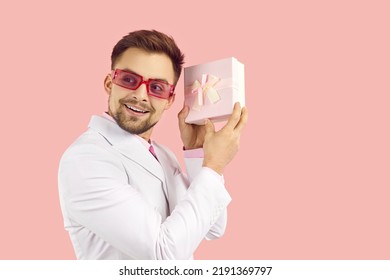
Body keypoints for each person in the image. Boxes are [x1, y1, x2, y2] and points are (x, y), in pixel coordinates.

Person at [58, 30, 248, 260]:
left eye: (156, 87)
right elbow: (163, 255)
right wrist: (214, 165)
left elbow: (213, 228)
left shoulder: (162, 154)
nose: (141, 95)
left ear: (169, 100)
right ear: (110, 83)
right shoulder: (86, 159)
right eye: (129, 80)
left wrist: (198, 153)